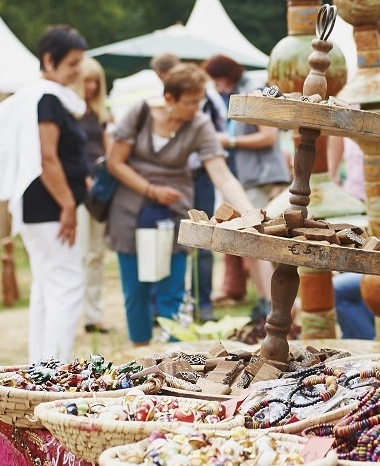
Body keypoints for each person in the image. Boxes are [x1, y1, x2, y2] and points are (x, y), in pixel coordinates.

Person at [106, 63, 252, 345]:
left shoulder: (199, 123)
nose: (196, 108)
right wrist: (151, 189)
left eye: (200, 101)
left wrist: (251, 214)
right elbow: (115, 162)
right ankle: (139, 353)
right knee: (135, 291)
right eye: (190, 102)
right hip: (130, 212)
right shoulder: (141, 113)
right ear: (169, 98)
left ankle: (173, 358)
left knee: (172, 289)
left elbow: (221, 174)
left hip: (173, 213)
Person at [0, 25, 89, 362]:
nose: (78, 70)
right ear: (49, 60)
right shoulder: (47, 99)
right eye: (72, 63)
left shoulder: (39, 97)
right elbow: (46, 156)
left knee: (46, 288)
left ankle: (41, 363)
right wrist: (67, 203)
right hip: (50, 205)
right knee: (67, 287)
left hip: (40, 205)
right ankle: (56, 366)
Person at [203, 55, 290, 322]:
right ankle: (264, 301)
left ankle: (269, 304)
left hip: (261, 177)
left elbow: (268, 136)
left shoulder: (253, 91)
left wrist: (228, 142)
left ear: (224, 75)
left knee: (256, 243)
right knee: (250, 245)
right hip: (247, 178)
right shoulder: (236, 92)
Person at [328, 21, 380, 340]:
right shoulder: (352, 79)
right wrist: (330, 178)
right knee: (359, 271)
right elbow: (337, 134)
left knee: (375, 275)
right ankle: (371, 345)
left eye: (372, 40)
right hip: (357, 189)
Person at [151, 52, 225, 322]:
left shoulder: (206, 105)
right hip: (170, 181)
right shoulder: (150, 112)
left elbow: (220, 144)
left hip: (201, 176)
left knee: (203, 242)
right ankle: (160, 307)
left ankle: (203, 303)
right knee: (164, 241)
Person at [74, 57, 111, 334]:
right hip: (77, 188)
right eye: (87, 80)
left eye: (95, 81)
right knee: (80, 253)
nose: (91, 86)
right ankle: (76, 313)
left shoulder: (100, 114)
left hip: (99, 189)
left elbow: (107, 151)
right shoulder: (68, 112)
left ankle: (94, 315)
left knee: (96, 253)